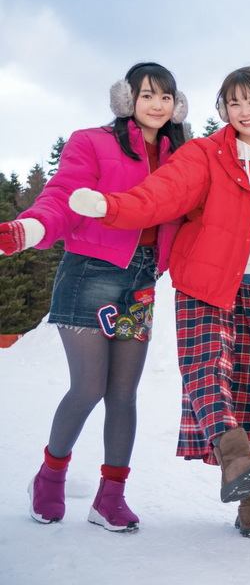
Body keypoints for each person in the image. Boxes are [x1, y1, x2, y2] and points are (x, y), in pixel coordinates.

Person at [68, 66, 250, 538]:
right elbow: (162, 195)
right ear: (222, 110)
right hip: (207, 283)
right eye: (233, 103)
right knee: (207, 370)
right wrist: (112, 207)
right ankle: (235, 459)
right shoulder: (206, 153)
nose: (244, 111)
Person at [0, 63, 188, 533]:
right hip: (91, 273)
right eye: (147, 95)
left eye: (165, 96)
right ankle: (49, 477)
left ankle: (110, 498)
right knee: (88, 387)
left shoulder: (181, 155)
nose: (157, 105)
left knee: (123, 395)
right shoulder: (92, 142)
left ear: (176, 104)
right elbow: (63, 194)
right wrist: (33, 227)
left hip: (142, 279)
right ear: (127, 99)